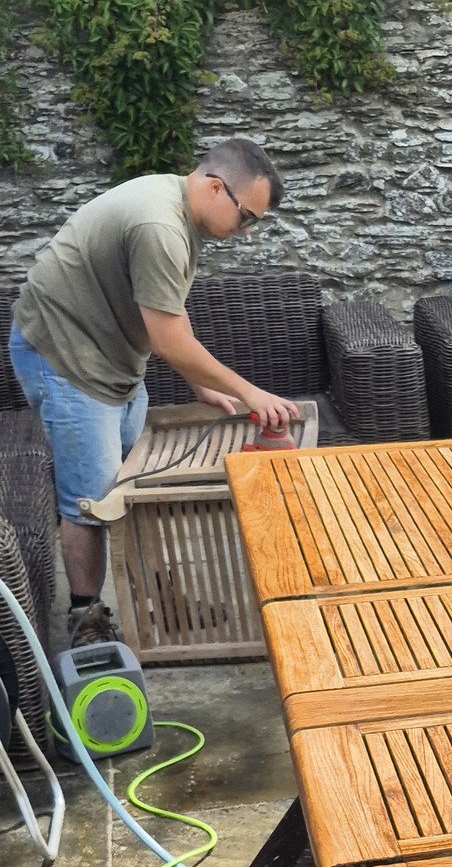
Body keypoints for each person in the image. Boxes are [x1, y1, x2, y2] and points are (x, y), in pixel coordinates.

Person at [8, 137, 300, 645]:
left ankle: (164, 600)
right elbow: (168, 340)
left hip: (112, 354)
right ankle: (86, 620)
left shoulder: (178, 209)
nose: (247, 231)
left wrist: (200, 383)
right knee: (93, 500)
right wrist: (250, 392)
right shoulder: (159, 225)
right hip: (64, 355)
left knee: (137, 489)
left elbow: (168, 310)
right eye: (247, 217)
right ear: (216, 187)